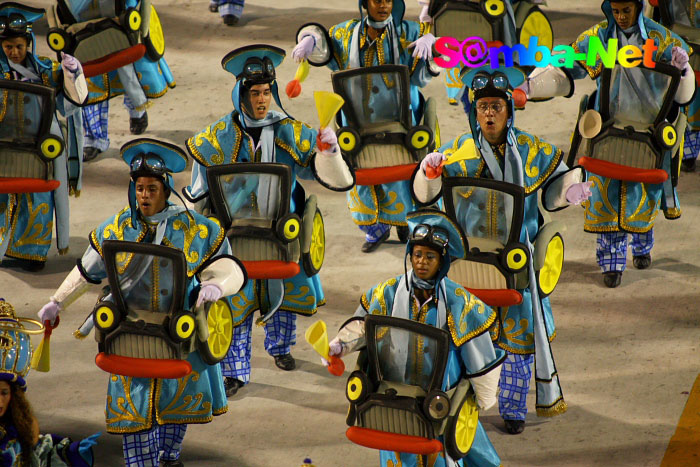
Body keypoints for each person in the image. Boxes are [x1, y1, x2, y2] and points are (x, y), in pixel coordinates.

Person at [37, 138, 246, 467]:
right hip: (130, 331)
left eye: (151, 188)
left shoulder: (196, 229)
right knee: (133, 410)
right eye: (139, 188)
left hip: (180, 331)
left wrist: (217, 287)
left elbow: (229, 266)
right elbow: (87, 268)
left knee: (178, 405)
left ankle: (169, 455)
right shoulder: (118, 227)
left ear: (165, 188)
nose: (144, 196)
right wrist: (57, 301)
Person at [413, 66, 592, 434]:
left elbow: (556, 183)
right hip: (467, 263)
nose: (490, 114)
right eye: (483, 108)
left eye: (496, 106)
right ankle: (465, 402)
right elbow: (424, 196)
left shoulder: (530, 149)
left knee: (517, 341)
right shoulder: (456, 152)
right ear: (475, 112)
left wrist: (570, 189)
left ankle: (512, 409)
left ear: (509, 109)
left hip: (516, 261)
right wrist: (428, 174)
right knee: (463, 336)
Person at [185, 45, 353, 397]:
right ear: (240, 94)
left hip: (282, 231)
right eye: (254, 93)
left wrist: (329, 151)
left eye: (266, 92)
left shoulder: (289, 130)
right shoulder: (215, 137)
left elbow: (337, 181)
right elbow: (199, 193)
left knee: (283, 296)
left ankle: (280, 348)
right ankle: (236, 370)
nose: (261, 100)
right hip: (234, 234)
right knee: (236, 299)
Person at [518, 0, 695, 287]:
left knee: (642, 194)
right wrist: (530, 86)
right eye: (616, 11)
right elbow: (564, 66)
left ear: (638, 7)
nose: (621, 17)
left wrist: (683, 71)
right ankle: (610, 263)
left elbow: (683, 96)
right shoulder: (599, 38)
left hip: (648, 134)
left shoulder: (662, 40)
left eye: (627, 11)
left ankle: (642, 245)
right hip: (606, 131)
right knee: (604, 195)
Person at [324, 209, 505, 466]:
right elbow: (363, 327)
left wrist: (483, 396)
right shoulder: (388, 292)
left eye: (430, 256)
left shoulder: (460, 302)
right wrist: (340, 345)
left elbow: (478, 351)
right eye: (417, 255)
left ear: (442, 261)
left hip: (440, 400)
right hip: (395, 392)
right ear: (409, 256)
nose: (422, 262)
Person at [292, 0, 438, 252]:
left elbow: (437, 54)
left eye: (389, 0)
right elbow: (324, 41)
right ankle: (375, 229)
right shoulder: (346, 33)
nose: (383, 5)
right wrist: (309, 40)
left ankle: (405, 222)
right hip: (357, 121)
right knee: (362, 175)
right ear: (364, 3)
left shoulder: (408, 33)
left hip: (401, 120)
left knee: (403, 173)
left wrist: (432, 44)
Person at [0, 2, 86, 271]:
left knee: (38, 196)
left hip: (40, 146)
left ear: (29, 44)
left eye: (19, 46)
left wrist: (72, 74)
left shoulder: (46, 71)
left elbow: (67, 106)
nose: (14, 53)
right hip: (3, 145)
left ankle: (30, 252)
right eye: (8, 47)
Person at [54, 0, 177, 161]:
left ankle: (137, 109)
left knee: (129, 71)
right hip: (82, 27)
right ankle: (93, 138)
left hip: (120, 20)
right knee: (91, 81)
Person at [0, 298, 98, 466]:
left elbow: (42, 454)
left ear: (14, 395)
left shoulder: (22, 428)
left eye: (4, 392)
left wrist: (71, 454)